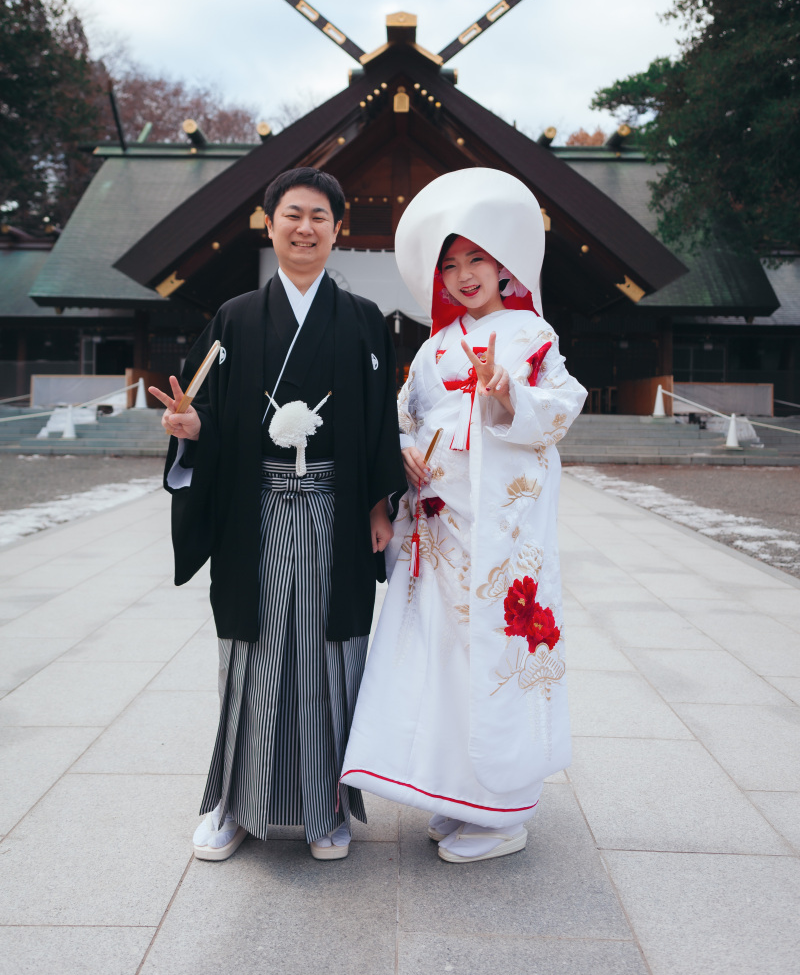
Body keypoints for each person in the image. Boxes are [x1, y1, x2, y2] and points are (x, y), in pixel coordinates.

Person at [151, 167, 405, 863]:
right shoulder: (234, 318)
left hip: (335, 509)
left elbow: (379, 422)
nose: (304, 227)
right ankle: (235, 806)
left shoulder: (361, 321)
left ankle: (327, 810)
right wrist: (191, 428)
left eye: (319, 216)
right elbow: (211, 413)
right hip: (255, 510)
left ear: (337, 229)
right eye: (291, 214)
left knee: (331, 653)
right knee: (254, 654)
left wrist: (382, 504)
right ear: (269, 223)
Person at [341, 168, 587, 863]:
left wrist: (510, 397)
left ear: (504, 265)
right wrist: (402, 455)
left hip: (502, 537)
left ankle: (504, 809)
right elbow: (402, 416)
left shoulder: (532, 334)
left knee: (496, 653)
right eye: (450, 265)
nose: (463, 275)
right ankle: (457, 794)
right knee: (440, 660)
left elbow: (563, 406)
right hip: (441, 531)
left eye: (475, 258)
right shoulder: (432, 349)